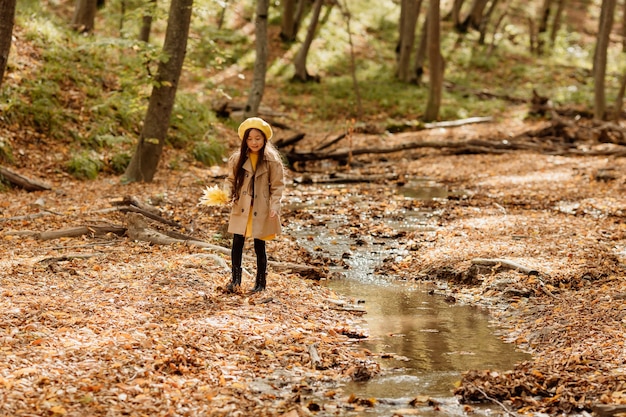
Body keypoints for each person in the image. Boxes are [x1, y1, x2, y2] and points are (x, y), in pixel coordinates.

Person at [224, 117, 285, 293]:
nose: (254, 142)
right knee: (237, 242)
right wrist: (225, 194)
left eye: (257, 138)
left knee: (260, 244)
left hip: (262, 207)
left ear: (264, 139)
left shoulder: (272, 160)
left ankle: (261, 282)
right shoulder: (237, 159)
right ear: (245, 140)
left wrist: (275, 206)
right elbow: (230, 180)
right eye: (250, 139)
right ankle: (235, 280)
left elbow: (277, 185)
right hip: (242, 205)